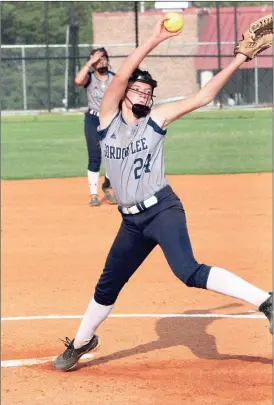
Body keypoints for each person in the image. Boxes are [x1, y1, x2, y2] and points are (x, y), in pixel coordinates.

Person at [54, 17, 272, 371]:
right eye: (138, 90)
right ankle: (81, 342)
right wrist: (154, 39)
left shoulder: (157, 119)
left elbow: (204, 95)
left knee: (187, 270)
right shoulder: (108, 119)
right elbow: (122, 75)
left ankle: (267, 302)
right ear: (124, 93)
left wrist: (239, 59)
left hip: (162, 210)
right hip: (131, 222)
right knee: (108, 284)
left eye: (148, 91)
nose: (143, 94)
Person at [75, 47, 118, 206]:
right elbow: (78, 81)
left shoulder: (114, 78)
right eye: (98, 60)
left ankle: (108, 186)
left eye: (104, 58)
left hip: (111, 120)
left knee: (112, 155)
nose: (102, 62)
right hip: (93, 120)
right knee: (95, 157)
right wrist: (90, 62)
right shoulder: (90, 78)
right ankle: (93, 194)